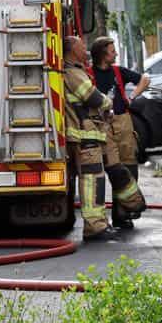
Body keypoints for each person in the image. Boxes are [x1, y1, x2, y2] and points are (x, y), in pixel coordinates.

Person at [89, 37, 147, 229]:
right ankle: (122, 210)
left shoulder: (118, 71)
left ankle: (123, 214)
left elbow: (144, 80)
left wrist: (132, 96)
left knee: (129, 166)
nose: (115, 54)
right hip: (102, 125)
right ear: (102, 54)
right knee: (115, 169)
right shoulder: (88, 74)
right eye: (112, 51)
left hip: (123, 121)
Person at [62, 35, 115, 240]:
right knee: (92, 180)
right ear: (73, 50)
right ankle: (95, 226)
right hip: (85, 136)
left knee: (94, 179)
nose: (86, 50)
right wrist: (107, 102)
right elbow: (92, 97)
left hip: (85, 135)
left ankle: (97, 223)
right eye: (82, 46)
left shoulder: (74, 71)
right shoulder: (73, 73)